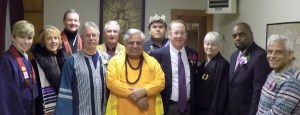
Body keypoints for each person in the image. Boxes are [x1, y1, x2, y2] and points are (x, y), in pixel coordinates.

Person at [106, 28, 165, 115]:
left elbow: (161, 82)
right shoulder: (114, 61)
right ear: (125, 44)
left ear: (143, 44)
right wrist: (137, 97)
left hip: (148, 111)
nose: (135, 46)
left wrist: (145, 90)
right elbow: (112, 83)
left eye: (138, 43)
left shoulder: (152, 62)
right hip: (122, 111)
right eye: (131, 43)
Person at [55, 21, 110, 115]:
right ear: (82, 37)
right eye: (88, 35)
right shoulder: (71, 61)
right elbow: (65, 93)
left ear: (98, 37)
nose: (91, 38)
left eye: (94, 35)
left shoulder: (108, 60)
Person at [151, 20, 199, 115]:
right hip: (167, 107)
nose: (179, 36)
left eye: (182, 33)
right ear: (169, 34)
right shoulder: (157, 55)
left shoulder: (193, 54)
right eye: (176, 33)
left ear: (186, 35)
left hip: (189, 107)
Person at [227, 22, 272, 115]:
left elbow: (258, 92)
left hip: (247, 111)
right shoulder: (234, 56)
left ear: (251, 35)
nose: (237, 38)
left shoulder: (260, 56)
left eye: (241, 34)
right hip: (232, 110)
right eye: (234, 36)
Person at [0, 20, 38, 115]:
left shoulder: (24, 57)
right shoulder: (6, 60)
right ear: (13, 37)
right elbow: (6, 96)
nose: (26, 41)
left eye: (29, 38)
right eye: (22, 37)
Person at [256, 35, 300, 114]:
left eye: (279, 52)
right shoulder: (274, 71)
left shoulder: (292, 82)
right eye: (270, 52)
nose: (272, 56)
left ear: (290, 55)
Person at [30, 25, 67, 114]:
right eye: (49, 38)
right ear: (43, 41)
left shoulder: (65, 59)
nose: (53, 41)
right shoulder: (35, 63)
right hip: (44, 107)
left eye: (56, 38)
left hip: (64, 104)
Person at [195, 32, 229, 115]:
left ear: (219, 46)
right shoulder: (202, 65)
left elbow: (221, 93)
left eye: (213, 44)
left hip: (213, 110)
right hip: (199, 108)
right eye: (207, 44)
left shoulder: (223, 65)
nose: (209, 47)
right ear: (203, 45)